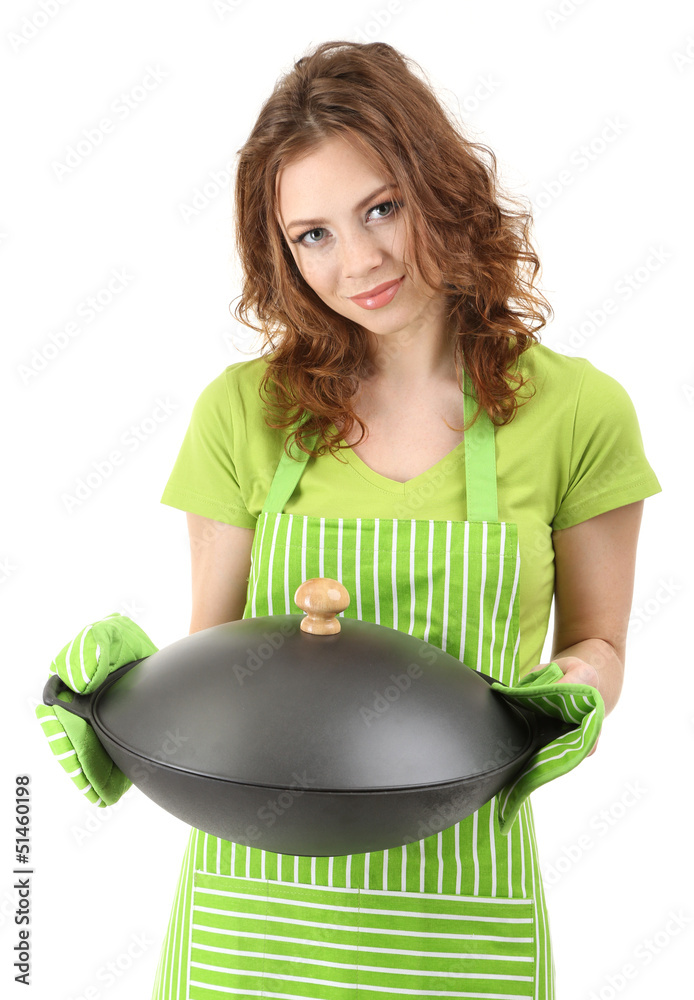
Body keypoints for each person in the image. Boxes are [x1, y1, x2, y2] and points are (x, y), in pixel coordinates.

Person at [38, 39, 660, 999]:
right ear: (280, 252)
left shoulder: (579, 412)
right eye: (312, 235)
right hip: (250, 929)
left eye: (382, 208)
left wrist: (571, 689)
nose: (359, 261)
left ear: (440, 188)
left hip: (456, 924)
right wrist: (120, 687)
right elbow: (216, 662)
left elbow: (600, 644)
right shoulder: (243, 412)